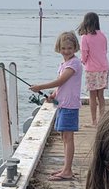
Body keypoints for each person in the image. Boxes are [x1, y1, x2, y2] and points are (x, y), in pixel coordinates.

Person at [29, 31, 83, 180]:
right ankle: (66, 167)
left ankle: (67, 171)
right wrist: (53, 95)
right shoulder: (64, 64)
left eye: (69, 48)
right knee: (63, 137)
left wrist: (40, 86)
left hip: (70, 105)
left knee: (68, 137)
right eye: (64, 48)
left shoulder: (74, 64)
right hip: (62, 104)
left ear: (75, 48)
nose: (66, 51)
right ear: (59, 48)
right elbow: (61, 86)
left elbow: (60, 81)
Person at [77, 12, 109, 125]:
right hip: (104, 67)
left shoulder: (85, 38)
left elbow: (84, 54)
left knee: (92, 96)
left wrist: (83, 62)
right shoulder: (103, 36)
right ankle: (102, 118)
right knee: (101, 96)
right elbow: (105, 50)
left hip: (91, 69)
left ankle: (94, 120)